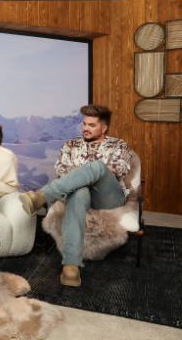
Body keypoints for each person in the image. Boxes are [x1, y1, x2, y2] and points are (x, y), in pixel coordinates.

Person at [20, 104, 131, 287]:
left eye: (92, 125)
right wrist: (81, 177)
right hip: (82, 194)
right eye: (84, 124)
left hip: (108, 196)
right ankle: (71, 266)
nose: (86, 128)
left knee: (96, 167)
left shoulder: (118, 145)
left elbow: (120, 170)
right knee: (79, 192)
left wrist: (87, 170)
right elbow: (61, 170)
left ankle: (42, 196)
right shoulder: (70, 145)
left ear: (104, 128)